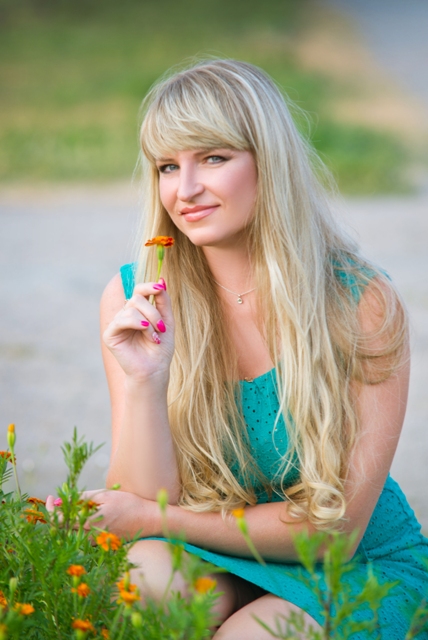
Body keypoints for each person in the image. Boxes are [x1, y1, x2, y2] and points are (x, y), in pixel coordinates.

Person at [70, 60, 428, 637]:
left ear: (269, 161)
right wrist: (145, 380)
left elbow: (333, 531)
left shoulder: (359, 302)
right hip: (217, 551)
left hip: (354, 566)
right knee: (142, 582)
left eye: (213, 158)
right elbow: (137, 507)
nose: (185, 190)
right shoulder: (136, 296)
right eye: (167, 166)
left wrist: (164, 519)